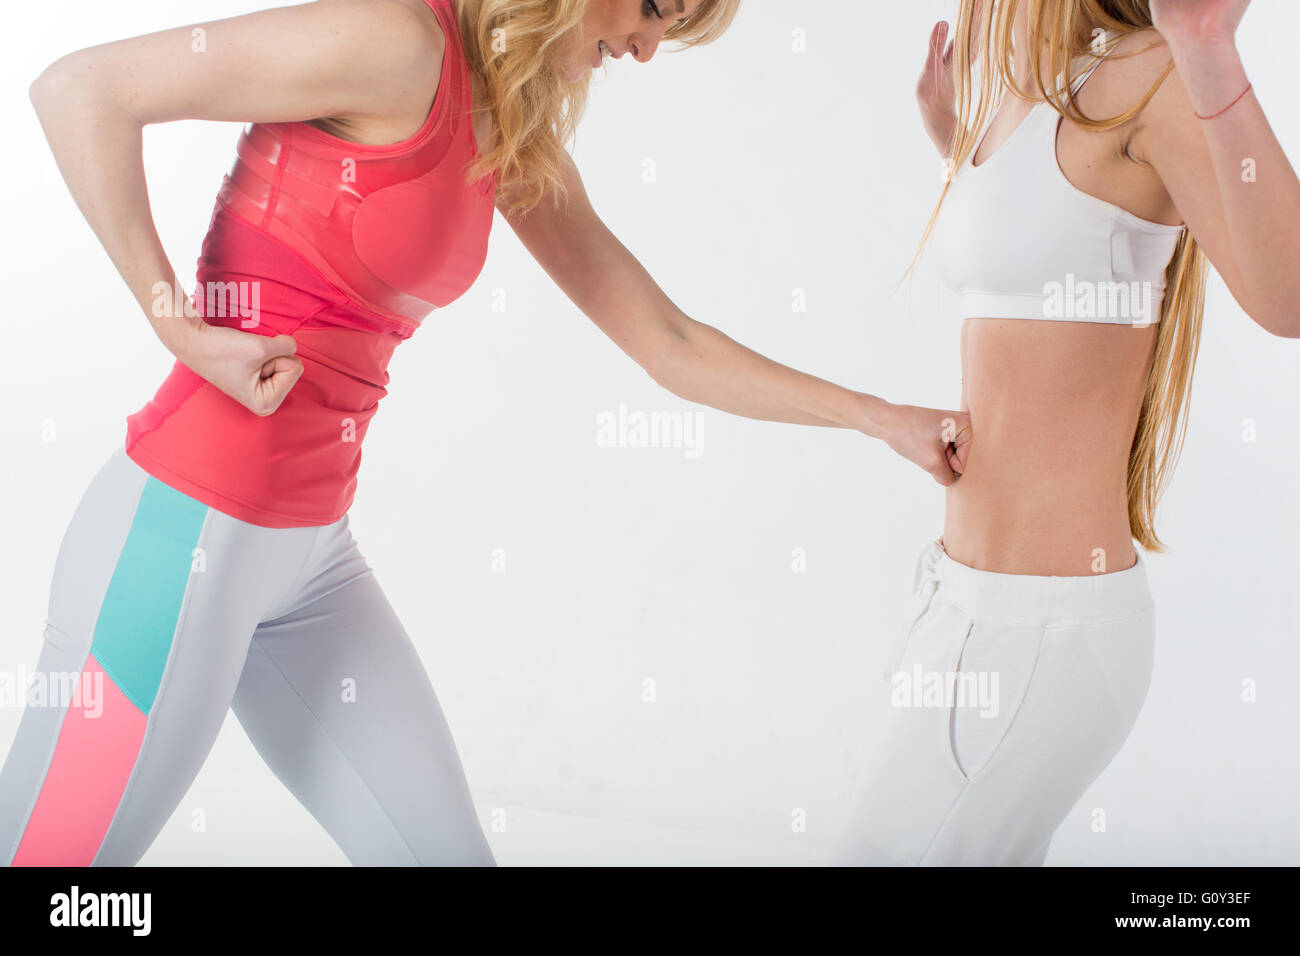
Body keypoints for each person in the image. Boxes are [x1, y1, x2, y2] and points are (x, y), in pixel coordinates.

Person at [0, 0, 971, 866]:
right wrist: (173, 316)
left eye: (669, 32)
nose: (643, 48)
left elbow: (669, 342)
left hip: (311, 566)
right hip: (181, 544)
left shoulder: (498, 119)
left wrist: (882, 419)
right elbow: (79, 88)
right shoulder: (390, 40)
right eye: (654, 8)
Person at [831, 0, 1297, 866]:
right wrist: (962, 166)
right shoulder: (1018, 100)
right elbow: (1049, 256)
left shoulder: (1148, 72)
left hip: (1042, 634)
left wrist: (1207, 49)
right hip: (958, 609)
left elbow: (1290, 296)